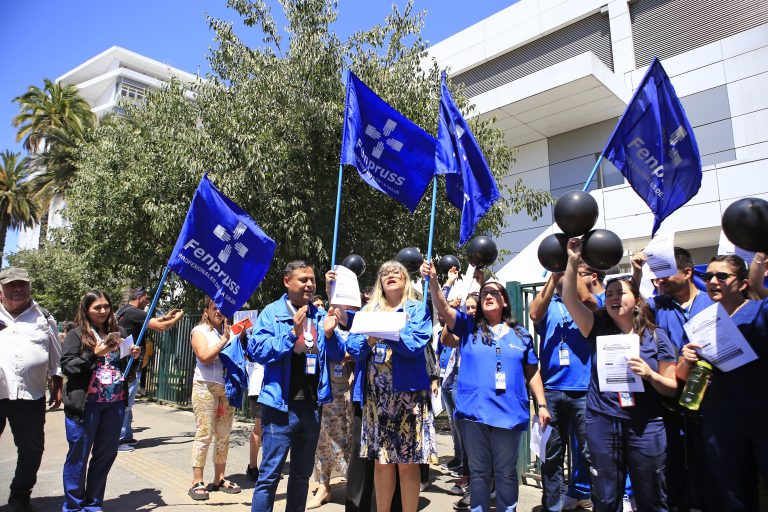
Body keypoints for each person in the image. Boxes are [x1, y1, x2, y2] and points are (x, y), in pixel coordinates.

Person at [422, 261, 550, 512]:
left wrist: (542, 404)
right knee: (479, 473)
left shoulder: (521, 334)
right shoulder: (468, 328)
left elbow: (532, 371)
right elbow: (444, 308)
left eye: (494, 293)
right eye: (484, 294)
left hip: (508, 415)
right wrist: (435, 281)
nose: (488, 296)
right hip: (474, 414)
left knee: (505, 473)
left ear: (504, 302)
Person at [561, 238, 677, 512]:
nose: (613, 297)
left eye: (620, 293)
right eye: (609, 293)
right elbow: (568, 297)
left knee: (651, 494)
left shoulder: (656, 337)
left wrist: (649, 374)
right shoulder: (596, 325)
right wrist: (572, 260)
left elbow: (671, 387)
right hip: (603, 422)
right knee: (605, 496)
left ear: (636, 301)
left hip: (645, 425)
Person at [247, 261, 346, 512]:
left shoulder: (320, 315)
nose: (310, 284)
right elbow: (256, 350)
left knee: (301, 477)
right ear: (287, 282)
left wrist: (331, 334)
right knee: (269, 476)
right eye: (303, 279)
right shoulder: (272, 312)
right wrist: (292, 335)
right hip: (281, 408)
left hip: (312, 408)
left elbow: (338, 354)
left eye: (312, 280)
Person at [680, 254, 768, 511]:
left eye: (722, 276)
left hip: (761, 417)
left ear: (742, 284)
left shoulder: (760, 310)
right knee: (733, 493)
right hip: (720, 421)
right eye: (708, 277)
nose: (713, 281)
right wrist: (687, 358)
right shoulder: (703, 322)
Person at [345, 260, 434, 512]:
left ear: (405, 280)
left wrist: (385, 331)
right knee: (382, 462)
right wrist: (370, 339)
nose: (391, 275)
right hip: (376, 398)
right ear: (379, 282)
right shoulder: (368, 310)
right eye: (385, 273)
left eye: (397, 272)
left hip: (408, 397)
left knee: (407, 462)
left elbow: (415, 345)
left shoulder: (416, 309)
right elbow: (352, 347)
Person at [631, 247, 715, 511]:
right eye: (655, 276)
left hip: (710, 402)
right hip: (669, 400)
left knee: (711, 465)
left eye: (665, 274)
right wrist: (636, 272)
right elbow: (630, 304)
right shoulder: (657, 305)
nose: (659, 281)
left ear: (687, 272)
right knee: (673, 467)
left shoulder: (712, 304)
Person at [60, 290, 141, 512]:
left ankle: (94, 504)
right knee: (78, 457)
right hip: (86, 406)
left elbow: (123, 370)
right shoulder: (76, 335)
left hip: (114, 404)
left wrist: (132, 357)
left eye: (106, 306)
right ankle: (74, 506)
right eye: (97, 307)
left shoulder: (119, 333)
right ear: (86, 310)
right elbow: (68, 365)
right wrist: (94, 354)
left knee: (104, 456)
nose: (103, 311)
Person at [529, 271, 596, 512]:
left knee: (591, 454)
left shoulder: (586, 303)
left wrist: (571, 271)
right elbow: (534, 313)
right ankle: (553, 507)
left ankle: (601, 503)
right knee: (551, 456)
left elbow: (590, 301)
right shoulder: (549, 304)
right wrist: (553, 275)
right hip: (551, 391)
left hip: (584, 391)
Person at [0, 267, 62, 512]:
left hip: (31, 393)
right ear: (0, 290)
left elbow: (55, 354)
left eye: (21, 285)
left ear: (29, 287)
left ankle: (20, 494)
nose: (17, 289)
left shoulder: (43, 317)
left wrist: (57, 383)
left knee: (32, 448)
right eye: (11, 285)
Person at [115, 287, 184, 452]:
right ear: (139, 297)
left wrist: (167, 316)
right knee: (125, 403)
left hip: (125, 362)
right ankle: (117, 441)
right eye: (146, 298)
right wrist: (177, 319)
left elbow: (154, 320)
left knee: (128, 402)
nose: (148, 301)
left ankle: (126, 436)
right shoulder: (134, 312)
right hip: (128, 364)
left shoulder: (124, 310)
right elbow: (161, 327)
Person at [187, 297, 241, 501]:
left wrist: (240, 339)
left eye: (222, 308)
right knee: (204, 434)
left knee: (224, 434)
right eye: (214, 308)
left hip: (226, 388)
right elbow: (204, 356)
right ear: (207, 310)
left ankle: (219, 478)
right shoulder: (199, 331)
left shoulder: (229, 330)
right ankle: (197, 480)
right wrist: (224, 341)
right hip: (205, 386)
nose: (219, 311)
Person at [245, 357, 264, 482]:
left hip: (272, 387)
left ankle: (260, 467)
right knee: (259, 428)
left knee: (268, 429)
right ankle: (253, 466)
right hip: (259, 386)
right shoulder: (252, 337)